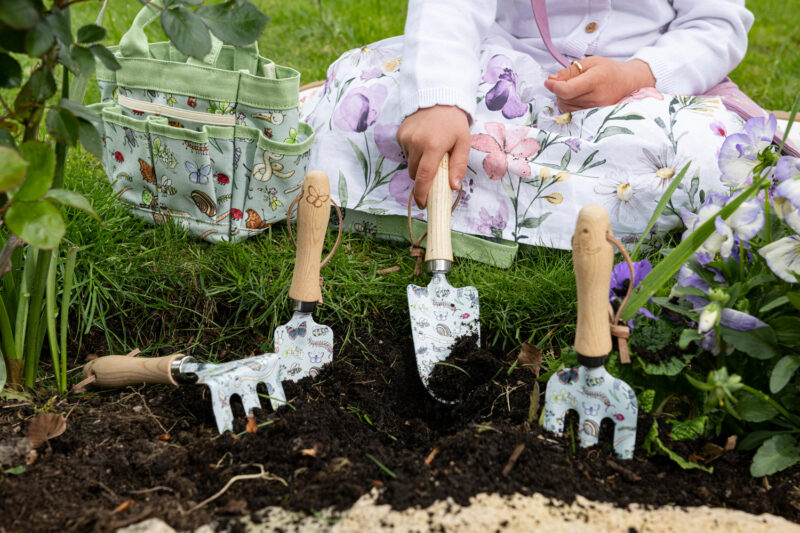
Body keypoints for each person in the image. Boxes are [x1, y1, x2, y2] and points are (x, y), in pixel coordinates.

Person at [300, 0, 754, 252]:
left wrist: (637, 75)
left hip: (642, 91)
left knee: (705, 158)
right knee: (365, 106)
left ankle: (497, 205)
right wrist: (440, 99)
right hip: (499, 72)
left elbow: (717, 24)